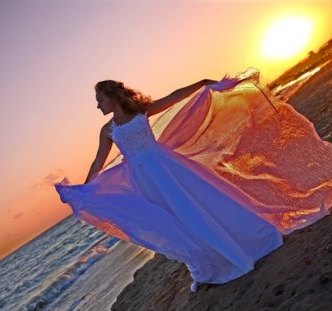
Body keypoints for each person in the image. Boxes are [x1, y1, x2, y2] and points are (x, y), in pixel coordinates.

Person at [54, 68, 331, 292]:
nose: (98, 106)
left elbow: (174, 97)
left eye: (100, 100)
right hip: (146, 180)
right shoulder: (108, 130)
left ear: (113, 97)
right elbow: (98, 162)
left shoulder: (140, 112)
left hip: (168, 168)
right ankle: (211, 258)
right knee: (179, 218)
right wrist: (84, 188)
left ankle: (244, 243)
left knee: (203, 204)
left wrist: (201, 83)